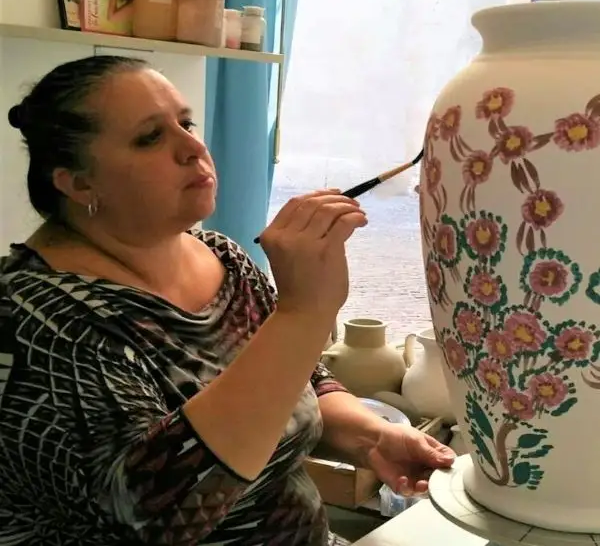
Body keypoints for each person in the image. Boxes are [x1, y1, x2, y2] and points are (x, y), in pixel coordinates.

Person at [0, 56, 455, 546]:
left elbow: (299, 382)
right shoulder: (36, 319)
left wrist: (372, 438)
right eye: (150, 137)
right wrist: (304, 314)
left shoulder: (223, 258)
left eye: (186, 122)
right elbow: (153, 521)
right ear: (78, 181)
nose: (194, 147)